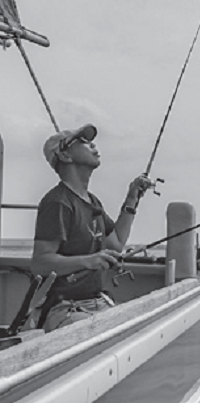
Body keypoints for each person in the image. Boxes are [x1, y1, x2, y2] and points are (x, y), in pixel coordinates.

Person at [31, 123, 152, 331]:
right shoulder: (58, 203)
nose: (93, 145)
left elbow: (115, 245)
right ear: (65, 156)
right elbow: (41, 263)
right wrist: (89, 261)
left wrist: (132, 198)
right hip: (65, 308)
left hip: (96, 303)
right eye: (82, 142)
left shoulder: (92, 201)